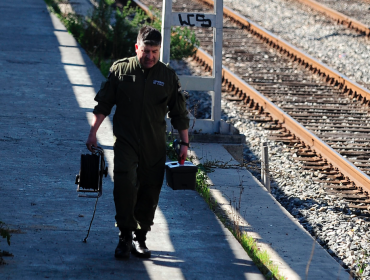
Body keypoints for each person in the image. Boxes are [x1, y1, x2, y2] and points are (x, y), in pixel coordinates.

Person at [86, 26, 189, 259]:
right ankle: (124, 235)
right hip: (126, 141)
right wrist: (93, 132)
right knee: (124, 182)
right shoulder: (121, 70)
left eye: (154, 51)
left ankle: (140, 237)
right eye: (145, 50)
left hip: (154, 145)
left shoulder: (167, 76)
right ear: (136, 48)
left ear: (159, 50)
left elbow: (179, 113)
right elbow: (103, 104)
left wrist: (184, 144)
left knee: (150, 190)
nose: (150, 56)